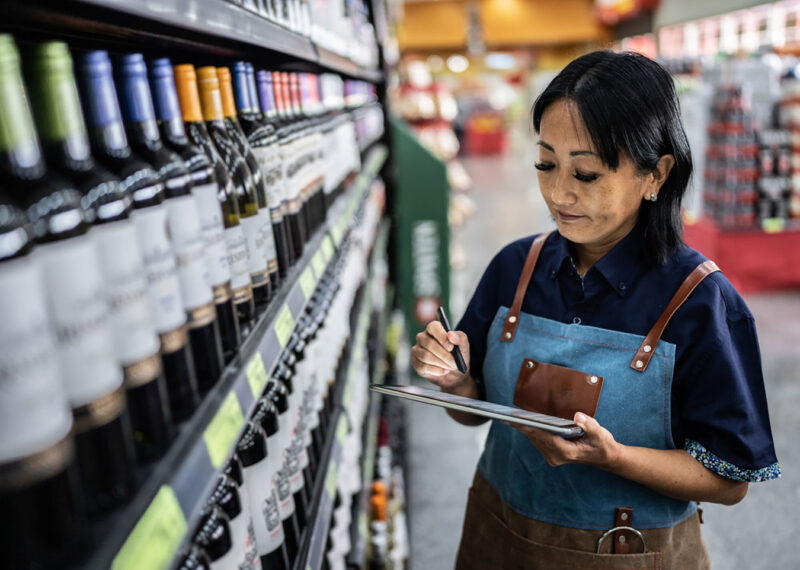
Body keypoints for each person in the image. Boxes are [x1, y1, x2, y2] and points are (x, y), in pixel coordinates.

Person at [411, 51, 781, 569]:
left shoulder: (700, 301)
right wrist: (454, 382)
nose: (559, 193)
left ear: (656, 174)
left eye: (586, 173)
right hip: (499, 535)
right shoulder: (516, 268)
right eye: (545, 164)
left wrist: (616, 458)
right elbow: (473, 412)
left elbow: (729, 480)